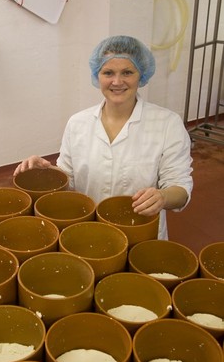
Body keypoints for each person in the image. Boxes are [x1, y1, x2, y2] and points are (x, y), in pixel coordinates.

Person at [13, 35, 193, 240]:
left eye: (127, 72)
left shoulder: (167, 124)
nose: (117, 82)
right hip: (87, 232)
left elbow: (180, 188)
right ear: (97, 75)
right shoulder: (78, 123)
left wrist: (163, 196)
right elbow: (68, 179)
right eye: (108, 72)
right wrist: (45, 173)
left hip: (141, 234)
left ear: (140, 74)